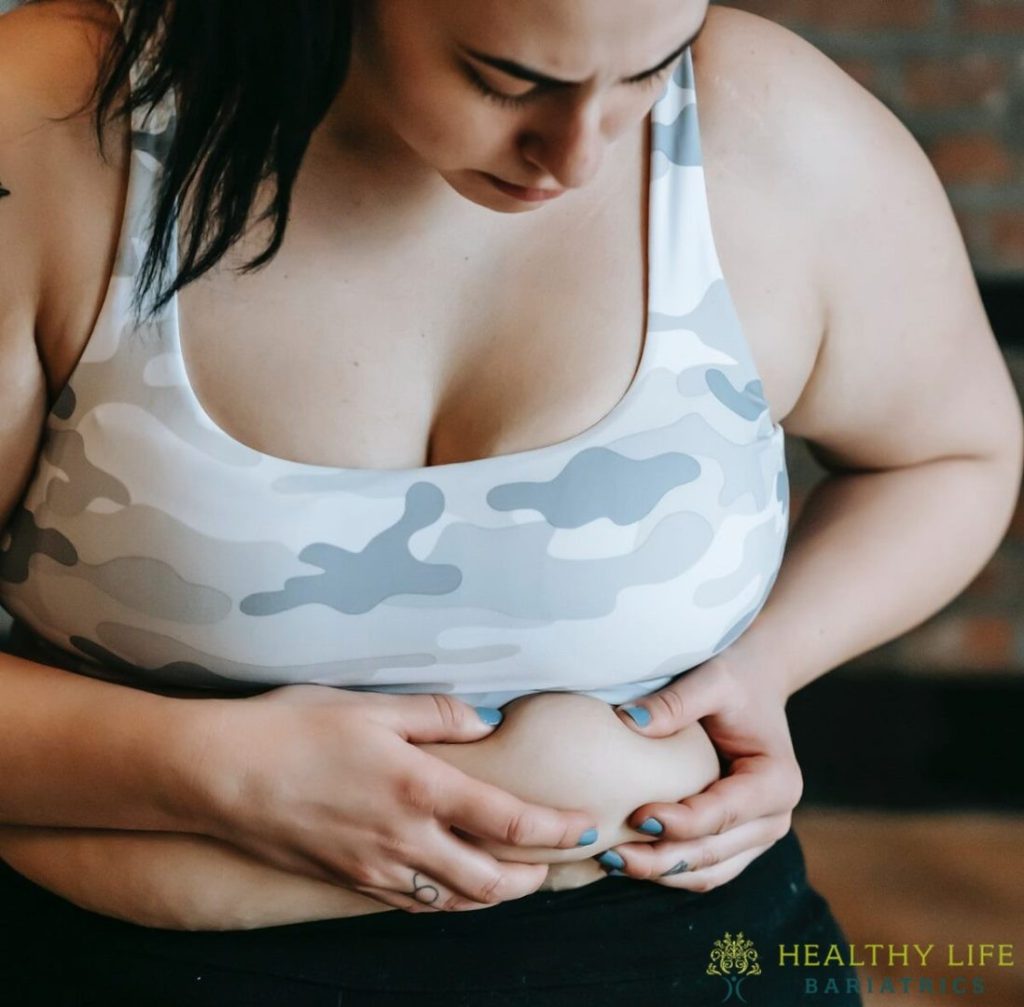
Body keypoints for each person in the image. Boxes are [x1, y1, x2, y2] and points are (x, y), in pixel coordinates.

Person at [0, 0, 1020, 1003]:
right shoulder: (52, 119)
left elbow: (948, 455)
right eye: (507, 79)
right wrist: (200, 767)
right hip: (122, 966)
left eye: (643, 70)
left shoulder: (774, 129)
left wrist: (768, 661)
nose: (576, 154)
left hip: (686, 958)